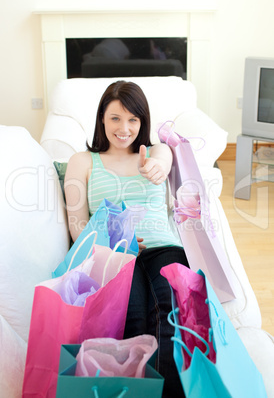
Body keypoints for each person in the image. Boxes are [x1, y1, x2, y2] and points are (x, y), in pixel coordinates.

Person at [64, 80, 189, 397]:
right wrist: (111, 249)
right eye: (116, 118)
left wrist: (158, 168)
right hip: (114, 255)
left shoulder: (155, 152)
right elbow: (77, 223)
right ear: (102, 119)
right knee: (130, 323)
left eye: (133, 119)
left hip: (163, 249)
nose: (124, 128)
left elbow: (163, 161)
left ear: (142, 122)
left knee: (166, 318)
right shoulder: (82, 161)